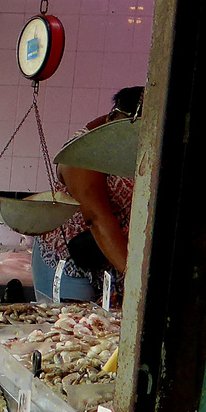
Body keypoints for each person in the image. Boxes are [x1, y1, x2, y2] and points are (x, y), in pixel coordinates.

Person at [36, 86, 144, 302]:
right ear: (114, 117)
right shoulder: (82, 152)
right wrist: (135, 279)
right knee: (70, 329)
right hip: (70, 259)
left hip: (111, 255)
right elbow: (96, 217)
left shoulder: (140, 150)